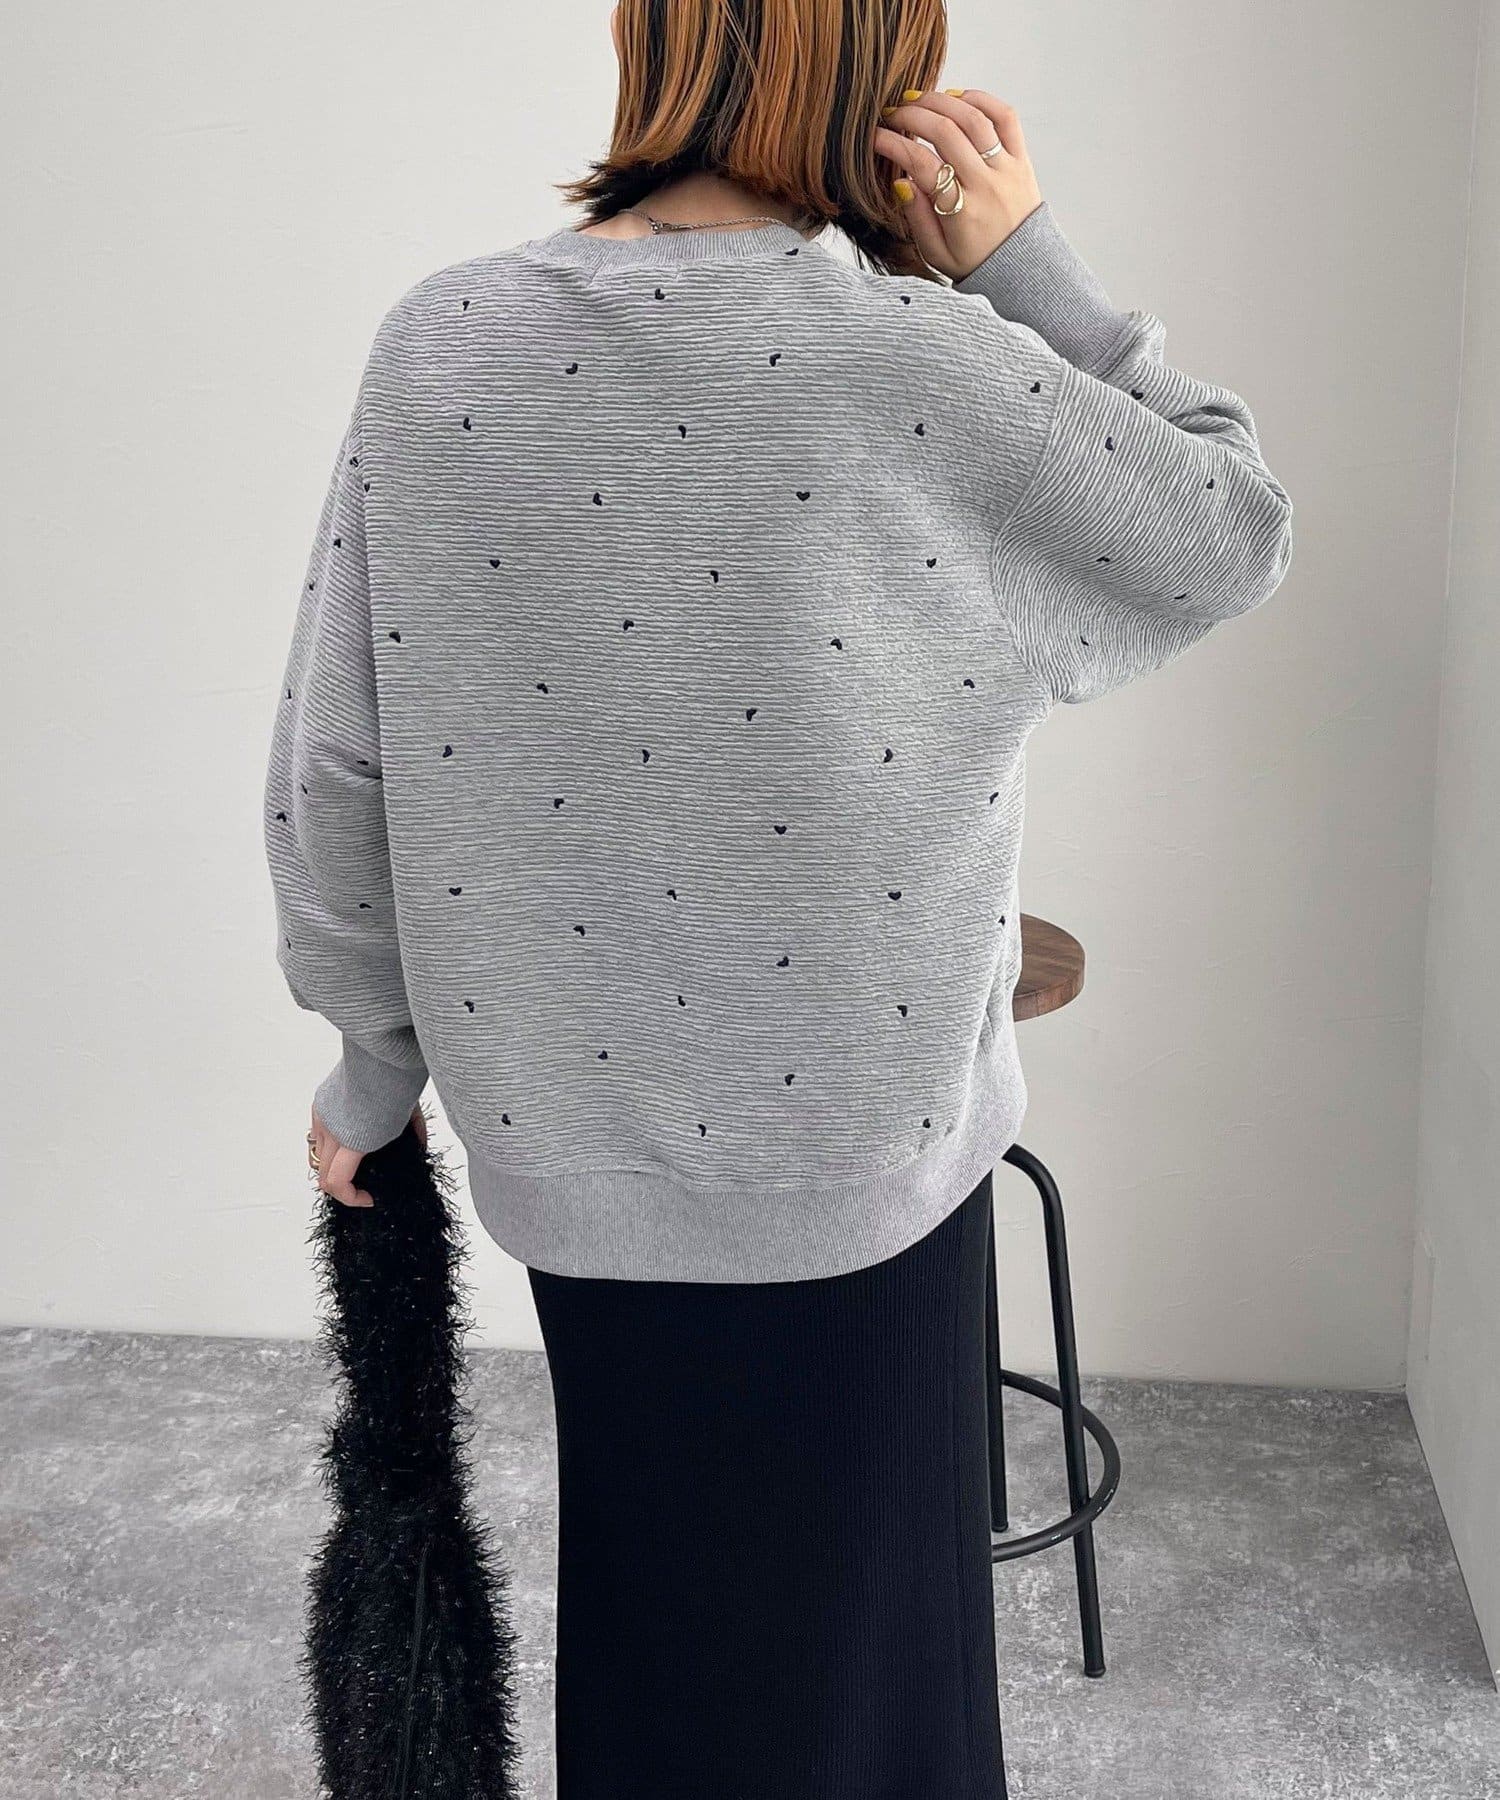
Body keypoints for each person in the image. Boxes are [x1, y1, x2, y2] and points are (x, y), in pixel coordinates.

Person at [265, 2, 1294, 1792]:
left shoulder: (441, 344)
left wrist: (372, 1064)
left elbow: (337, 770)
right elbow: (1229, 528)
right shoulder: (925, 363)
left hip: (578, 1171)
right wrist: (1028, 262)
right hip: (868, 1173)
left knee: (663, 1643)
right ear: (880, 77)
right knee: (875, 1689)